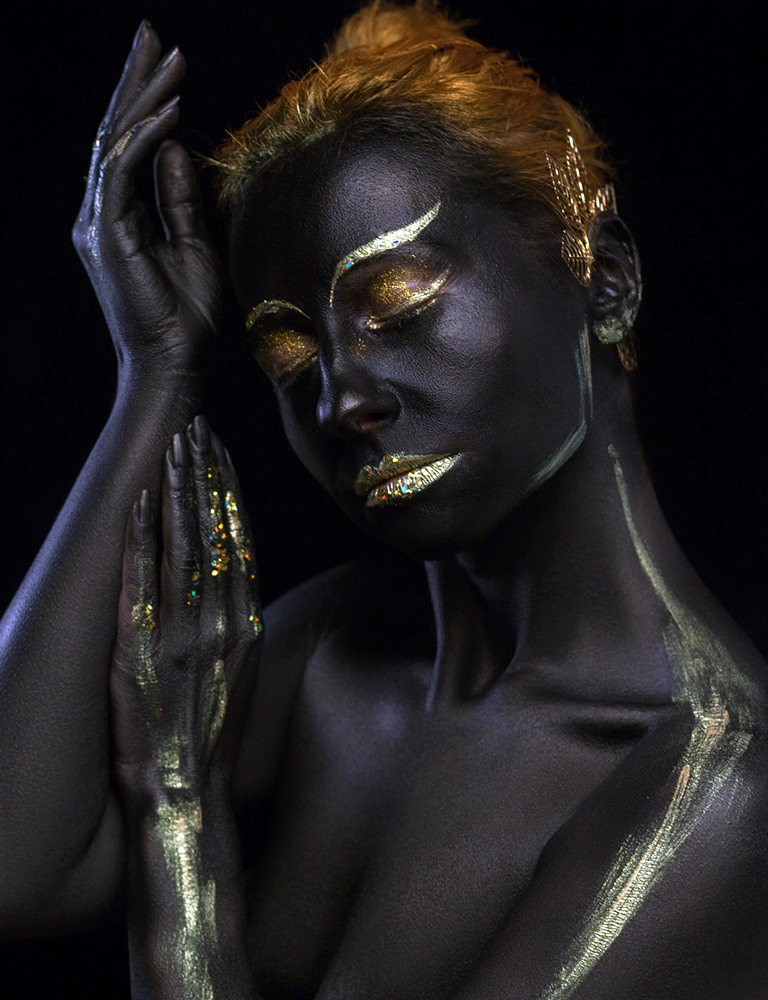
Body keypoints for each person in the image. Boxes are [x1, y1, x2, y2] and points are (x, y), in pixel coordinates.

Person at [1, 3, 766, 998]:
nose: (340, 399)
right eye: (289, 356)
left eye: (399, 305)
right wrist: (155, 372)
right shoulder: (331, 653)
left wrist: (175, 804)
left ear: (605, 279)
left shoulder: (713, 788)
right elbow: (15, 862)